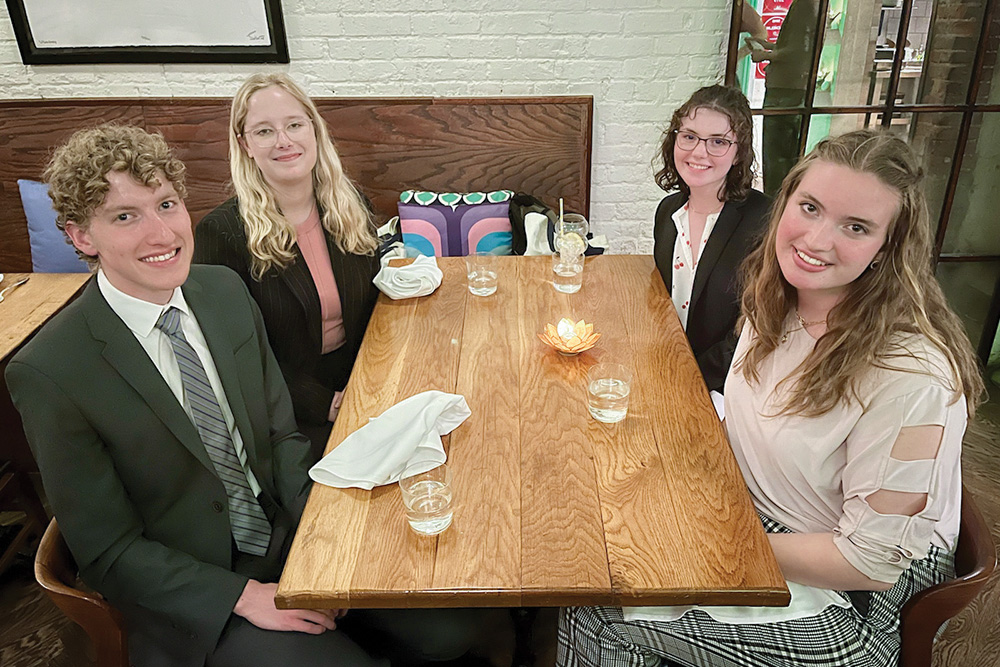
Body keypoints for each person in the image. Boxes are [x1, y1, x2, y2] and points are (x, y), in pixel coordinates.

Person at [5, 124, 479, 667]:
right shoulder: (49, 371)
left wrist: (324, 536)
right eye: (124, 216)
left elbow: (280, 435)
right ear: (82, 237)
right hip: (194, 589)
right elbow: (109, 552)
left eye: (166, 203)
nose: (161, 234)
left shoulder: (224, 292)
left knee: (452, 625)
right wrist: (242, 597)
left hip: (279, 529)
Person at [558, 130, 984, 666]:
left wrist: (702, 544)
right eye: (809, 207)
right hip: (759, 513)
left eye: (856, 227)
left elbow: (869, 562)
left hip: (855, 598)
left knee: (598, 605)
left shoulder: (909, 374)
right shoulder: (776, 300)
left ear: (887, 248)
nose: (817, 239)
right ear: (784, 205)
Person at [195, 73, 381, 460]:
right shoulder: (223, 232)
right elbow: (232, 353)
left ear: (314, 130)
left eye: (294, 125)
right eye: (264, 131)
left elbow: (374, 300)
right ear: (244, 144)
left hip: (363, 380)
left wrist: (376, 379)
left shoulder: (350, 204)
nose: (284, 141)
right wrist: (325, 403)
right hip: (287, 413)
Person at [652, 84, 770, 395]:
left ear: (738, 153)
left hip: (728, 388)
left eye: (718, 141)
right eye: (689, 136)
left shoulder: (765, 220)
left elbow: (759, 325)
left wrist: (692, 379)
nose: (699, 152)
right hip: (669, 372)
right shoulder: (667, 212)